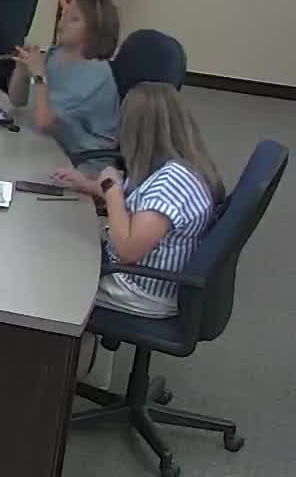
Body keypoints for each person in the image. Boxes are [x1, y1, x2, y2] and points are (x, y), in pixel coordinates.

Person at [52, 83, 225, 319]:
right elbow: (136, 201)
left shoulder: (173, 183)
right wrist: (88, 185)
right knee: (64, 245)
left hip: (139, 290)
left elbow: (128, 250)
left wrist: (110, 189)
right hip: (134, 274)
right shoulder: (177, 165)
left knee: (51, 275)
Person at [9, 0, 122, 164]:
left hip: (82, 165)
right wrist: (22, 70)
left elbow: (44, 122)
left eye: (74, 19)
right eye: (64, 14)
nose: (62, 22)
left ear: (95, 31)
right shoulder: (55, 54)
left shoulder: (97, 73)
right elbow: (17, 100)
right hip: (43, 148)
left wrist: (39, 75)